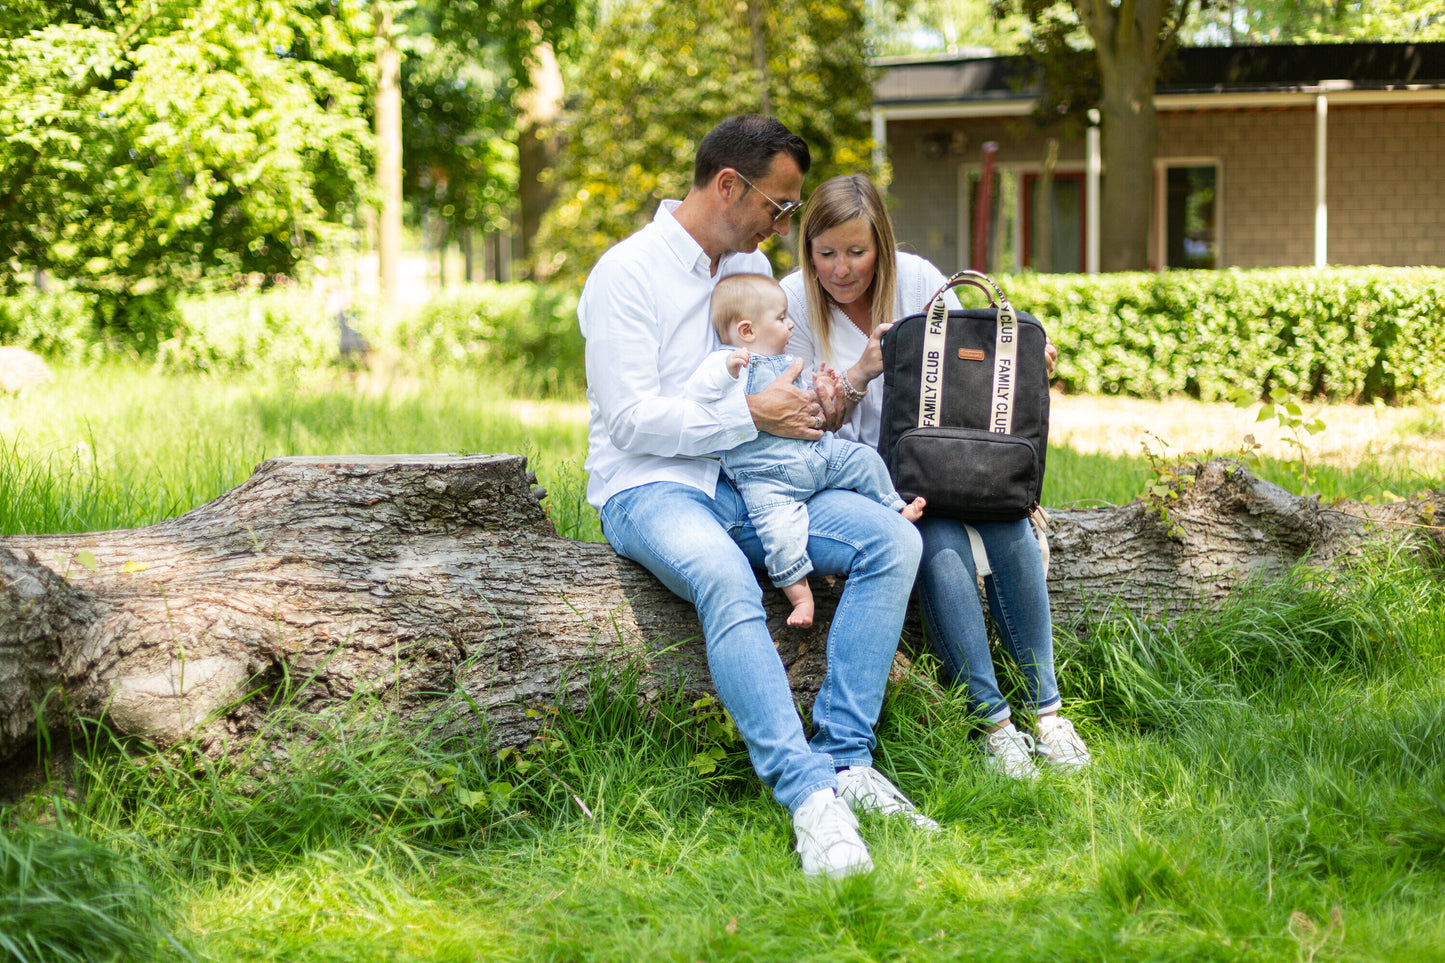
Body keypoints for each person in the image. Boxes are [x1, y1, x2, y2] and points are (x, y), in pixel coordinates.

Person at [578, 116, 936, 880]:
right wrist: (746, 414)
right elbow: (630, 419)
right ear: (727, 186)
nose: (782, 227)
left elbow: (780, 376)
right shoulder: (626, 272)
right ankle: (810, 799)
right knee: (724, 576)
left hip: (753, 478)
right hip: (650, 486)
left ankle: (844, 757)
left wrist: (809, 400)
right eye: (777, 208)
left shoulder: (741, 269)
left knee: (892, 540)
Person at [780, 173, 1091, 780]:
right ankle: (994, 723)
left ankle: (1048, 713)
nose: (841, 269)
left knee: (1009, 532)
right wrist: (861, 371)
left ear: (882, 246)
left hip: (937, 462)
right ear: (808, 250)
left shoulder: (919, 281)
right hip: (849, 476)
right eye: (827, 253)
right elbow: (796, 421)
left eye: (857, 252)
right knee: (939, 545)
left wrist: (1025, 357)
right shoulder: (790, 302)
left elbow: (967, 373)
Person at [688, 273, 926, 627]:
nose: (790, 324)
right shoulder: (726, 363)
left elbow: (808, 412)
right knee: (780, 536)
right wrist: (726, 369)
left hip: (818, 456)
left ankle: (891, 505)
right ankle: (801, 598)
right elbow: (698, 394)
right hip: (768, 480)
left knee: (863, 458)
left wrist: (823, 394)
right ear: (748, 331)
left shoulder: (787, 361)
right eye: (782, 318)